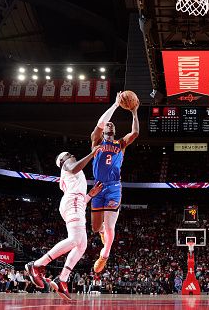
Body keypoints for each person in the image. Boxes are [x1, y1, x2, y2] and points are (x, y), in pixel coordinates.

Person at [25, 149, 103, 301]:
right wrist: (93, 153)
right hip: (73, 202)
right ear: (64, 159)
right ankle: (37, 264)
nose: (73, 155)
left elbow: (78, 192)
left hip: (77, 202)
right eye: (70, 155)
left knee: (82, 245)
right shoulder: (68, 165)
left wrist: (90, 195)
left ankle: (62, 279)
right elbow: (74, 168)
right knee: (74, 240)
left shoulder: (70, 173)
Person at [90, 91, 139, 273]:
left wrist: (134, 111)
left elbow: (135, 132)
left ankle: (105, 255)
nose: (109, 125)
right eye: (107, 125)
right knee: (96, 228)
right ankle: (102, 232)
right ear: (104, 131)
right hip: (97, 187)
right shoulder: (96, 142)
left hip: (113, 188)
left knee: (110, 226)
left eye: (112, 126)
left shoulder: (120, 144)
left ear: (114, 132)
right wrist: (116, 105)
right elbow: (100, 123)